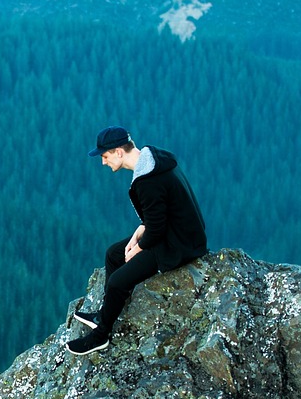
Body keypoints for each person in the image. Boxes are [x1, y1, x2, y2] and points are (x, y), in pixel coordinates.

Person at [67, 125, 208, 355]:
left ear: (118, 152)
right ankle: (105, 313)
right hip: (176, 232)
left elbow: (156, 229)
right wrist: (136, 236)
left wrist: (137, 250)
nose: (103, 162)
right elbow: (157, 215)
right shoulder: (153, 160)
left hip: (178, 244)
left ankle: (100, 335)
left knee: (118, 281)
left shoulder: (147, 181)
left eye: (105, 156)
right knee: (113, 254)